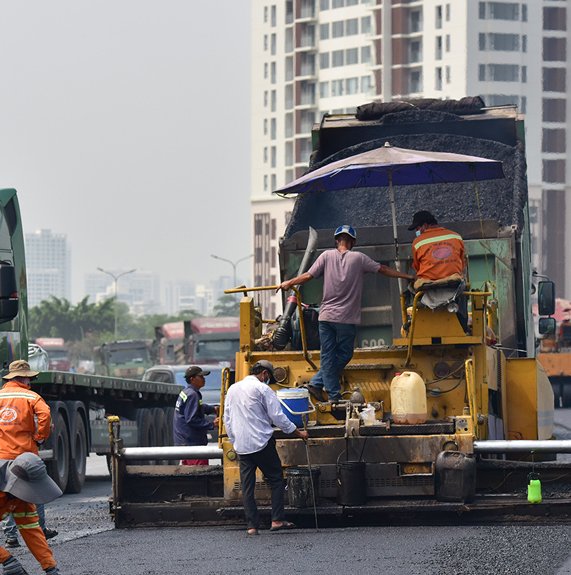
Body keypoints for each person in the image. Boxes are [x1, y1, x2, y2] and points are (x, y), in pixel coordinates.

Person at [280, 225, 414, 402]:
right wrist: (407, 277)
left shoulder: (326, 256)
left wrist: (289, 282)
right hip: (345, 319)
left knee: (327, 355)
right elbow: (382, 269)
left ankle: (318, 385)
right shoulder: (359, 258)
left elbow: (308, 275)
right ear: (353, 242)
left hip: (325, 317)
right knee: (344, 355)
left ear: (336, 240)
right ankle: (332, 394)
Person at [0, 359, 57, 546]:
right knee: (36, 489)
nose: (30, 383)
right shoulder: (32, 397)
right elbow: (45, 415)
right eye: (29, 379)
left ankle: (11, 536)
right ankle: (40, 530)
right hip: (27, 452)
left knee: (7, 492)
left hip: (2, 454)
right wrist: (40, 436)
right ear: (24, 379)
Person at [222, 359, 309, 535]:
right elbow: (277, 417)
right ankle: (277, 520)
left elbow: (227, 418)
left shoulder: (233, 389)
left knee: (247, 486)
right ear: (265, 373)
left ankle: (252, 526)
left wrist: (234, 439)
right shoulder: (263, 389)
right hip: (261, 443)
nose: (268, 380)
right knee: (276, 479)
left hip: (242, 445)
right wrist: (298, 432)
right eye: (268, 377)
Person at [174, 365, 216, 465]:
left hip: (185, 442)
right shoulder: (193, 395)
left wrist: (213, 409)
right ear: (192, 379)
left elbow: (197, 407)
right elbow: (192, 419)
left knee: (189, 477)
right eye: (200, 376)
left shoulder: (186, 392)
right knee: (199, 476)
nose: (203, 379)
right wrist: (212, 424)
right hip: (193, 444)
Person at [410, 211, 467, 282]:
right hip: (455, 283)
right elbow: (462, 262)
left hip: (428, 285)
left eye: (417, 229)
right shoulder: (456, 237)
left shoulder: (418, 242)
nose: (417, 231)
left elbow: (417, 266)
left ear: (425, 225)